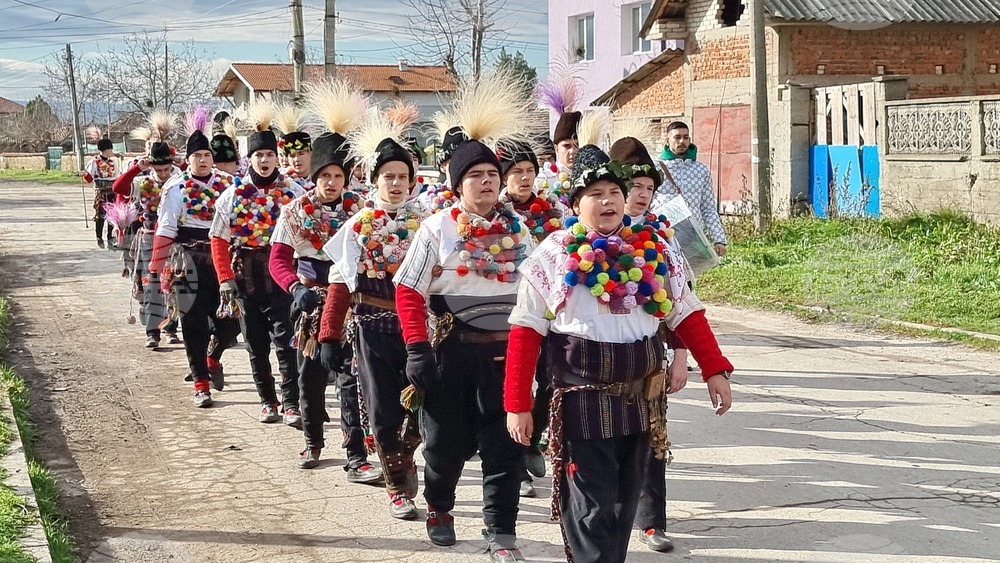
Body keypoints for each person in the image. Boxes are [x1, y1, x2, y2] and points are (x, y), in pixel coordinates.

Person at [503, 143, 734, 563]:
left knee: (624, 501)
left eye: (614, 192)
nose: (608, 201)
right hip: (582, 398)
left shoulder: (657, 250)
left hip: (642, 397)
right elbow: (525, 331)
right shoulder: (552, 255)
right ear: (576, 203)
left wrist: (715, 369)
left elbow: (687, 314)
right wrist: (518, 404)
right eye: (595, 194)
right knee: (592, 505)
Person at [268, 80, 381, 484]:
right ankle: (314, 439)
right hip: (309, 302)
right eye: (324, 175)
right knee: (310, 375)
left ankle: (356, 455)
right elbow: (279, 260)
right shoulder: (295, 212)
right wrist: (295, 288)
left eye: (338, 175)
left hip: (352, 301)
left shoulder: (364, 211)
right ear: (314, 176)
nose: (331, 182)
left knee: (350, 378)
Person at [319, 120, 428, 510]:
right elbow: (339, 283)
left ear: (413, 182)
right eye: (388, 177)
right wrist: (329, 335)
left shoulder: (428, 226)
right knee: (382, 411)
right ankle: (396, 486)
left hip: (419, 331)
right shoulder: (356, 228)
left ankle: (408, 455)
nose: (396, 184)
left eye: (402, 177)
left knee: (420, 406)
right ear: (374, 180)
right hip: (372, 328)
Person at [210, 105, 305, 425]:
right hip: (245, 277)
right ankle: (268, 400)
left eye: (269, 154)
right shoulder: (232, 195)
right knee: (256, 343)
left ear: (277, 157)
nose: (264, 161)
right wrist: (224, 278)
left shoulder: (294, 193)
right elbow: (218, 239)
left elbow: (311, 233)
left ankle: (292, 401)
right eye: (258, 155)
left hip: (282, 275)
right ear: (248, 159)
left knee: (286, 340)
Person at [149, 108, 241, 407]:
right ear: (186, 160)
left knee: (231, 322)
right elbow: (165, 228)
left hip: (223, 258)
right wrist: (156, 266)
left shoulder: (228, 186)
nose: (203, 160)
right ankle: (200, 383)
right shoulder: (175, 188)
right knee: (193, 323)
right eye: (197, 156)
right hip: (187, 261)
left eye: (207, 155)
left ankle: (213, 357)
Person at [496, 139, 570, 498]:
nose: (525, 178)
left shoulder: (553, 211)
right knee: (515, 384)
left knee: (550, 379)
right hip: (505, 312)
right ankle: (515, 457)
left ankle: (534, 437)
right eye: (516, 172)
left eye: (530, 171)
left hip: (548, 311)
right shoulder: (495, 215)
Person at [113, 135, 181, 349]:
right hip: (149, 238)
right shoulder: (144, 182)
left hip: (175, 240)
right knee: (151, 284)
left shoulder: (181, 181)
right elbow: (119, 188)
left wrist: (182, 163)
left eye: (166, 170)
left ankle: (171, 328)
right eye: (158, 170)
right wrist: (136, 169)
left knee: (173, 284)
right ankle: (152, 332)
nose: (162, 175)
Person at [654, 121, 728, 257]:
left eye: (686, 137)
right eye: (677, 137)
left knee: (691, 277)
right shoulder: (656, 169)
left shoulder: (701, 170)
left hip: (693, 238)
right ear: (667, 140)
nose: (682, 141)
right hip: (663, 236)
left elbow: (708, 207)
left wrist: (719, 239)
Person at [82, 138, 120, 249]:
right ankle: (99, 237)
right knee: (100, 215)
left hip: (112, 191)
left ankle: (110, 237)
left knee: (112, 215)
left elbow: (117, 177)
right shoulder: (94, 162)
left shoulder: (113, 162)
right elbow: (89, 179)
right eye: (110, 149)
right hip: (101, 192)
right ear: (105, 149)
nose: (111, 151)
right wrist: (85, 174)